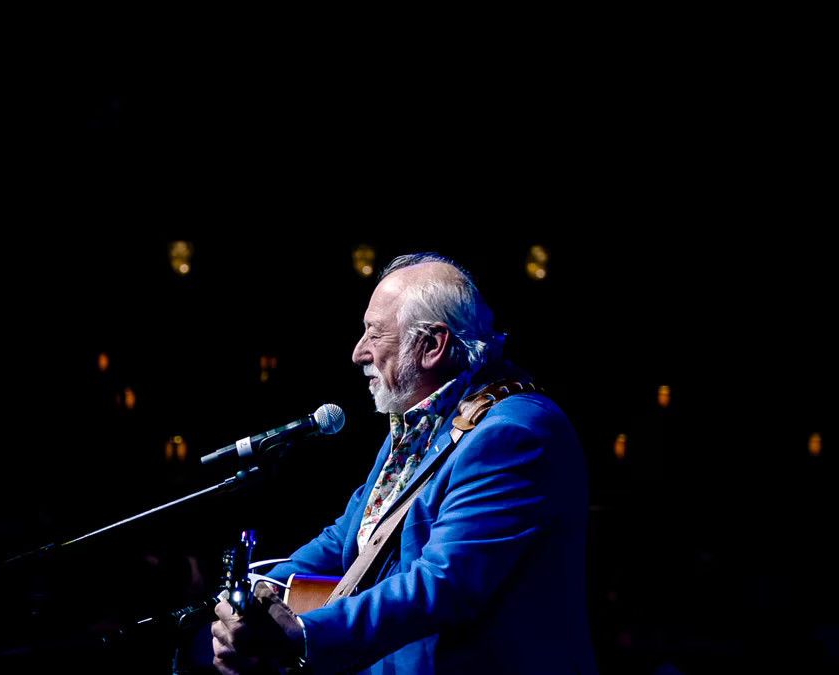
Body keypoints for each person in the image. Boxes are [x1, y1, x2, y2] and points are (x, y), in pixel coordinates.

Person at [211, 253, 597, 674]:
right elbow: (350, 535)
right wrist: (262, 593)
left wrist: (302, 634)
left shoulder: (515, 433)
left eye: (374, 335)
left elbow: (442, 585)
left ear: (431, 345)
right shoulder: (427, 421)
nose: (358, 353)